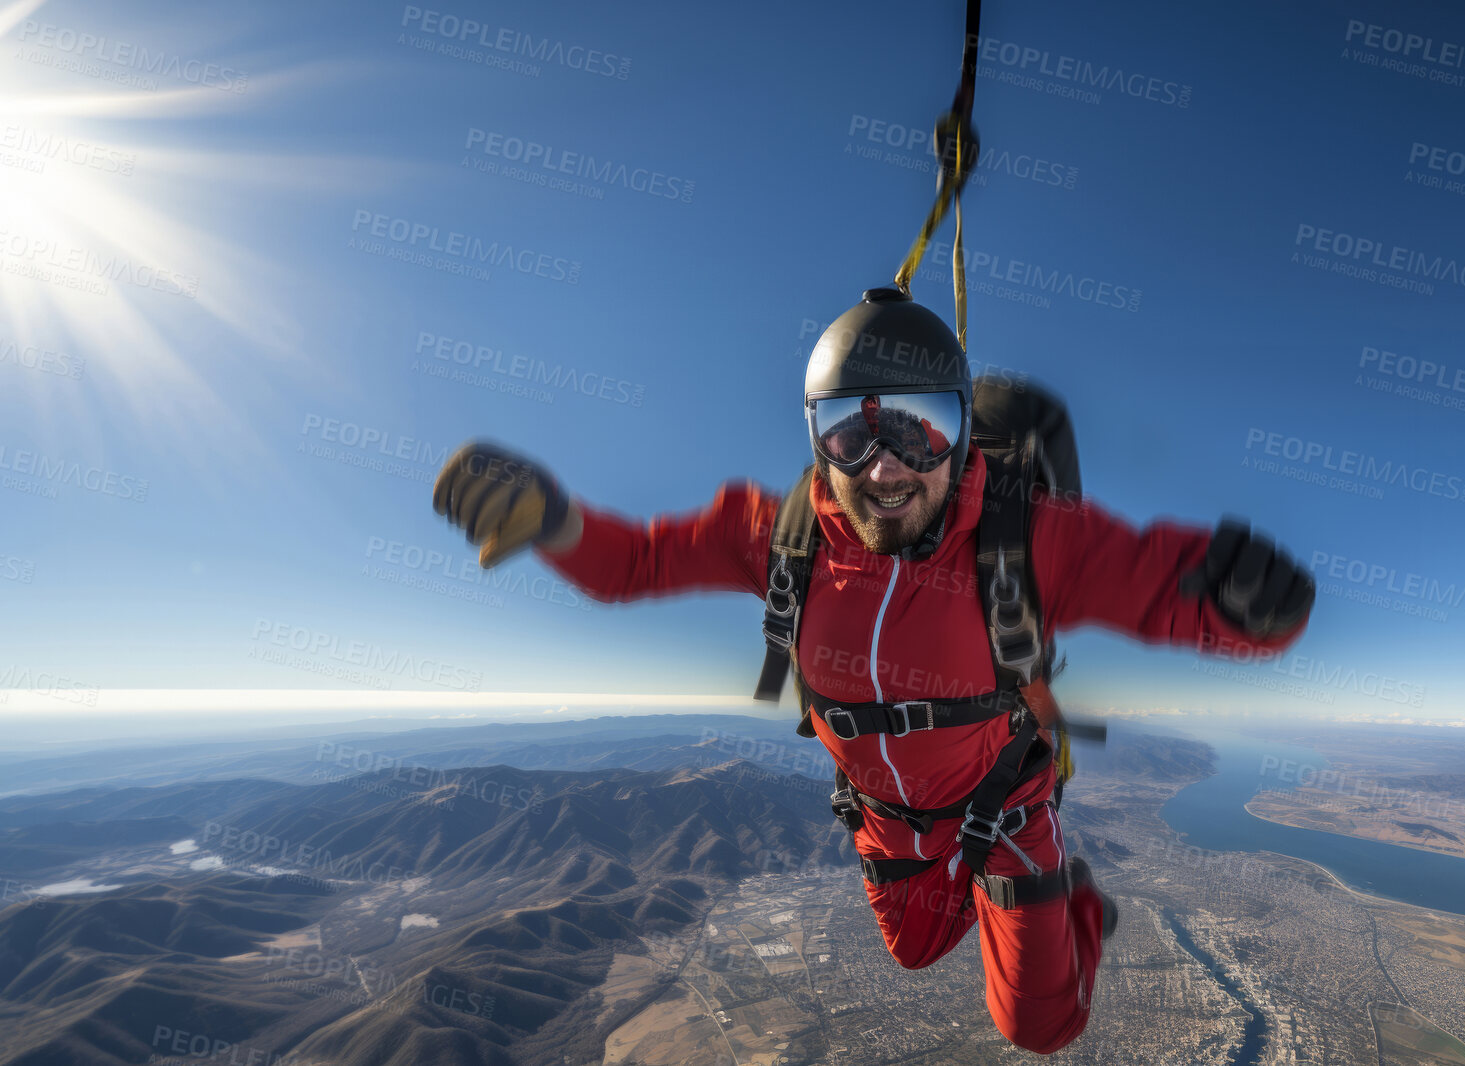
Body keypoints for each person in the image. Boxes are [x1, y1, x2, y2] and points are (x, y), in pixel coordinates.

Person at [431, 287, 1314, 1054]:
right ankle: (1016, 903)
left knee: (1039, 1027)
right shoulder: (781, 535)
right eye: (847, 433)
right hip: (888, 820)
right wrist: (552, 520)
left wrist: (1253, 609)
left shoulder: (1027, 537)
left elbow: (1163, 583)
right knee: (915, 949)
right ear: (815, 440)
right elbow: (635, 563)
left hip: (1005, 803)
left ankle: (1076, 909)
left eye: (918, 429)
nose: (884, 467)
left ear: (964, 433)